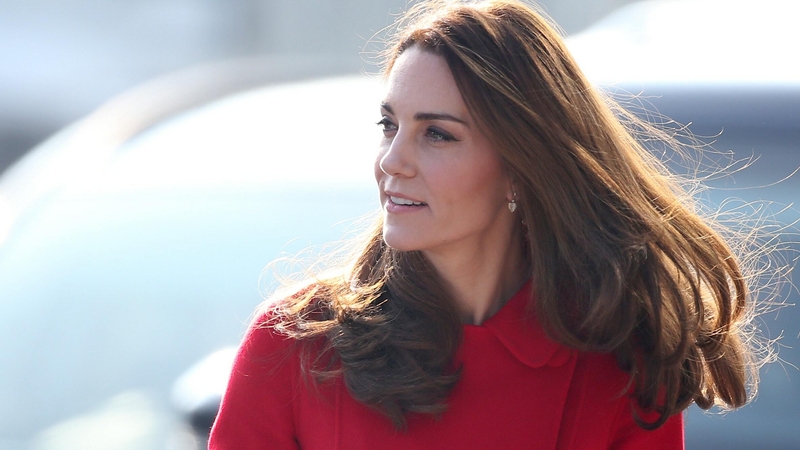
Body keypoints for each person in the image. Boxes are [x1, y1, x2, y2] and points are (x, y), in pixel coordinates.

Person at [208, 0, 762, 448]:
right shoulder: (297, 344)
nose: (391, 160)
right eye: (389, 124)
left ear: (520, 170)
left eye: (437, 134)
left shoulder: (618, 369)